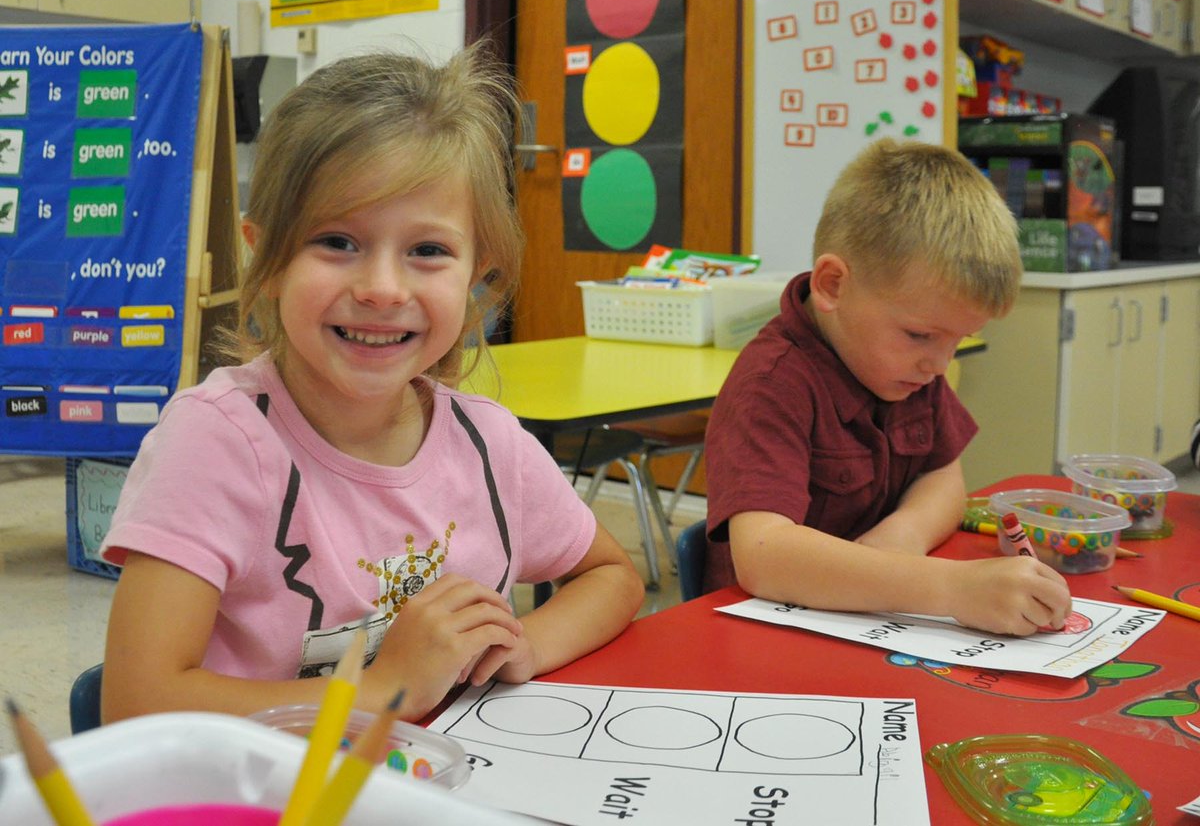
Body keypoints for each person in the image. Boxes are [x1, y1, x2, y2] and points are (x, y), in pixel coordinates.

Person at [100, 44, 644, 724]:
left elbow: (611, 575)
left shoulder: (488, 443)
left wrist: (525, 644)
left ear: (479, 268)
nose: (383, 289)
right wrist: (386, 690)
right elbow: (135, 705)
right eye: (337, 241)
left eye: (428, 250)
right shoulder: (218, 441)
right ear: (265, 259)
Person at [703, 138, 1072, 636]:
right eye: (920, 334)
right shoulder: (772, 383)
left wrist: (904, 534)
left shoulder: (903, 367)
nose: (939, 365)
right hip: (767, 635)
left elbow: (943, 477)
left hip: (871, 625)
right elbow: (763, 555)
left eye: (957, 340)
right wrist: (952, 588)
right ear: (833, 284)